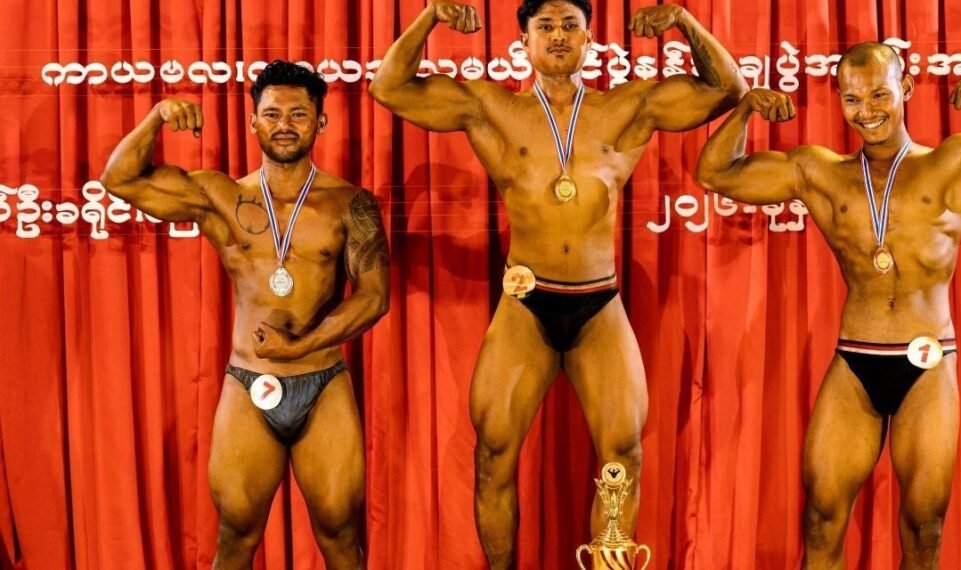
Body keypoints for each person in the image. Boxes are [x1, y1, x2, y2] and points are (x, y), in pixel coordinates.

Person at [369, 0, 746, 566]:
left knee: (623, 455)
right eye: (544, 27)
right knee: (493, 455)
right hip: (526, 305)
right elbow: (389, 88)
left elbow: (728, 89)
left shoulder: (626, 107)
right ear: (523, 42)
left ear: (590, 39)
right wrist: (428, 16)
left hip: (598, 304)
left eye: (571, 25)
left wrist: (684, 21)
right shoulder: (492, 107)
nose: (559, 36)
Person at [695, 42, 961, 569]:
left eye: (879, 94)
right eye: (852, 99)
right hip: (856, 361)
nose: (867, 110)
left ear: (907, 89)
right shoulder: (819, 170)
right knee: (821, 518)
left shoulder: (953, 161)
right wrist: (744, 109)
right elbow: (715, 173)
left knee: (924, 527)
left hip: (928, 363)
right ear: (839, 100)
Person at [100, 60, 389, 570]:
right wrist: (156, 117)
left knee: (341, 533)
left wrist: (301, 347)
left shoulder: (350, 203)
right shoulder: (220, 196)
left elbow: (375, 296)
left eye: (298, 114)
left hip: (322, 382)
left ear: (321, 122)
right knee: (235, 536)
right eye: (272, 114)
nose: (284, 125)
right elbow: (119, 180)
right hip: (248, 383)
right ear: (253, 122)